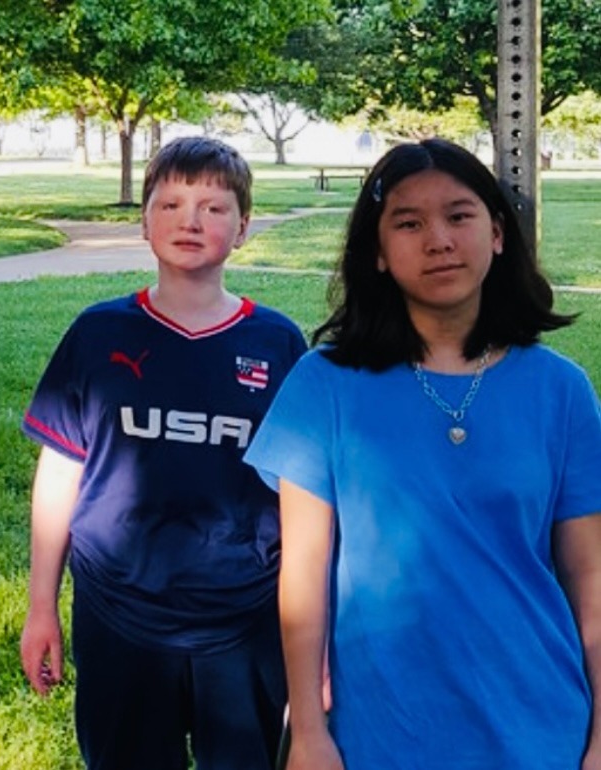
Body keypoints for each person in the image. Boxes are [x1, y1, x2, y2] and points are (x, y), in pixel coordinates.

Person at [244, 138, 601, 770]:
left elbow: (590, 576)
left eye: (459, 216)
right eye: (408, 223)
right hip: (380, 727)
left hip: (539, 722)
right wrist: (308, 733)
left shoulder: (562, 390)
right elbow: (302, 571)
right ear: (379, 253)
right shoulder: (323, 385)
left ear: (497, 234)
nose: (438, 240)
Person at [19, 135, 307, 770]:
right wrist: (42, 606)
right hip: (119, 607)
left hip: (244, 611)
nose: (190, 221)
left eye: (213, 207)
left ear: (244, 227)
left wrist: (313, 629)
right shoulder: (98, 334)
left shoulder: (278, 342)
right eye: (171, 204)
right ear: (144, 221)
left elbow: (306, 496)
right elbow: (60, 471)